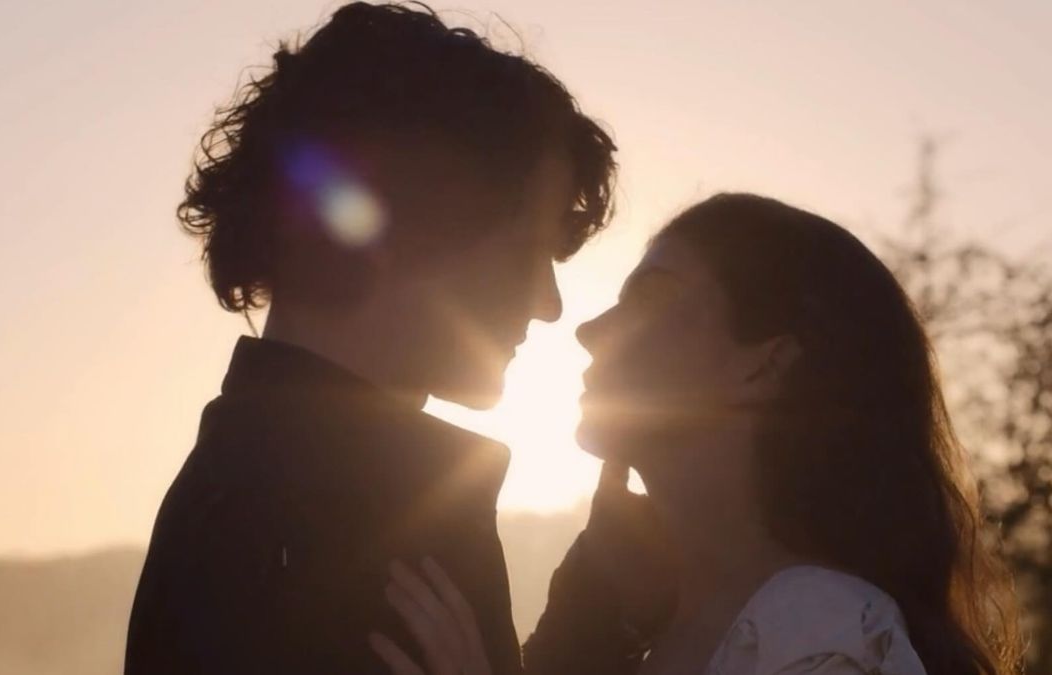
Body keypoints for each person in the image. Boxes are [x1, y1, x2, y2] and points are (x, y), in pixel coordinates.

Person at [123, 2, 626, 673]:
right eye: (526, 251)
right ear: (409, 231)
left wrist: (595, 610)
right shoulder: (320, 527)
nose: (549, 304)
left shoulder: (282, 492)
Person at [372, 193, 1024, 675]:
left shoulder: (821, 632)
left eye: (650, 297)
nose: (590, 330)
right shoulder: (659, 634)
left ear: (763, 362)